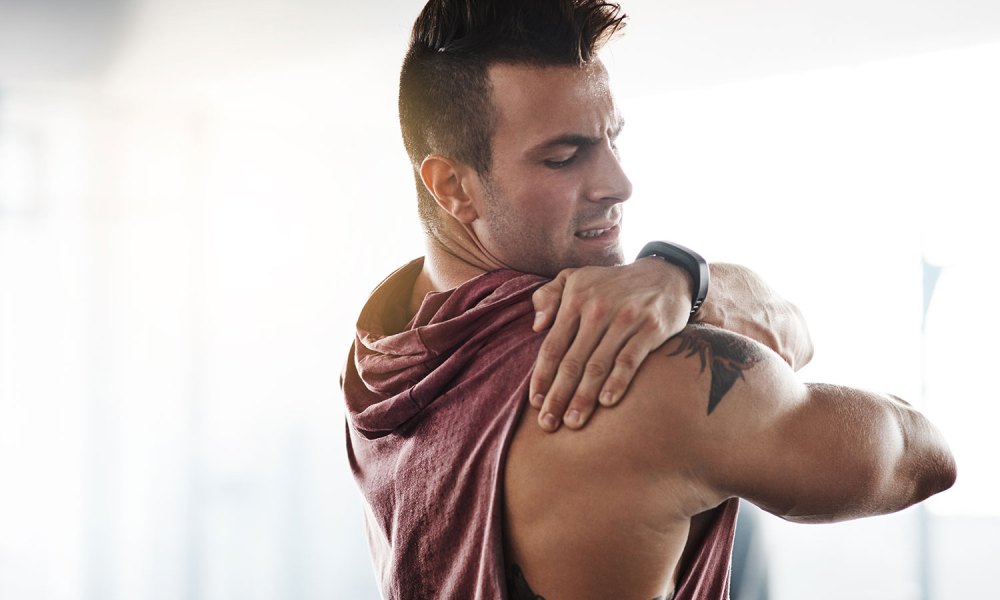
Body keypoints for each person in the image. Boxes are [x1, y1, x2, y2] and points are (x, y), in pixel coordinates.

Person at [342, 1, 956, 599]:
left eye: (613, 139)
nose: (618, 184)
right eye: (564, 157)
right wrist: (697, 285)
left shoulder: (383, 351)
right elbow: (922, 455)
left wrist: (683, 278)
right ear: (453, 185)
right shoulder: (640, 380)